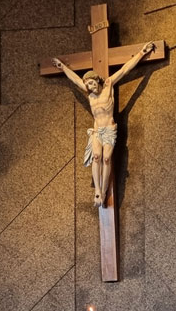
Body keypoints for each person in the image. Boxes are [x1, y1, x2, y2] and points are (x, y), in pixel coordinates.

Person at [52, 41, 155, 207]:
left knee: (106, 159)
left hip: (109, 129)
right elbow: (75, 80)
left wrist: (142, 53)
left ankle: (105, 190)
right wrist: (62, 67)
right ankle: (97, 191)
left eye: (92, 83)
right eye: (88, 86)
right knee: (96, 157)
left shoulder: (108, 86)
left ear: (97, 80)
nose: (90, 87)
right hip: (97, 130)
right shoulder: (90, 95)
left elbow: (124, 69)